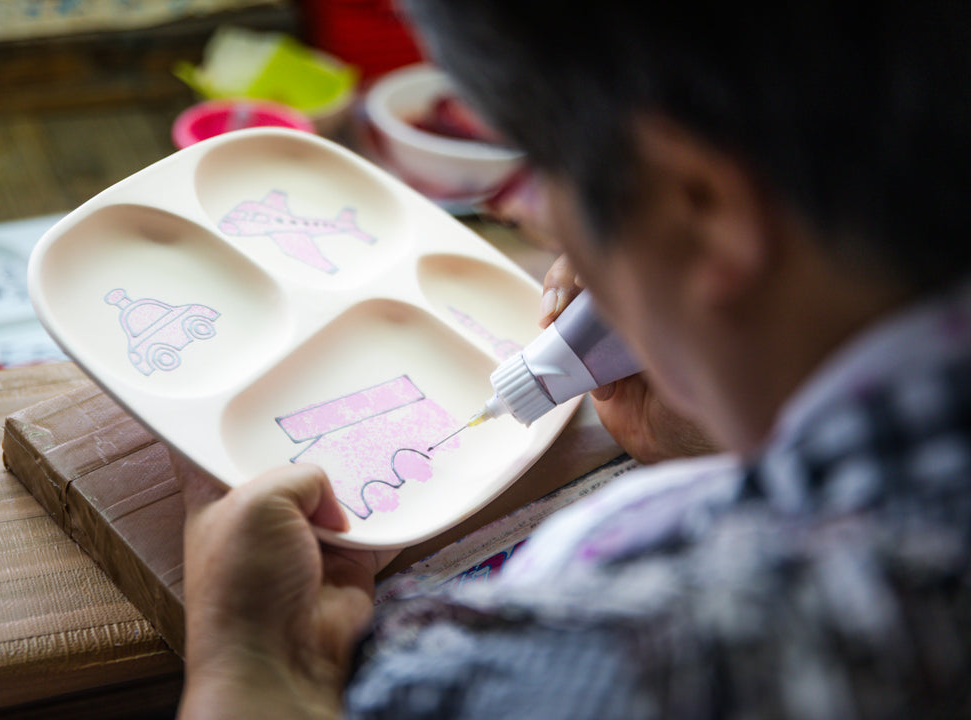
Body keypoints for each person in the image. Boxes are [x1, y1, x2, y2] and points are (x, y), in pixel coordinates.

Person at [175, 2, 971, 718]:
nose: (543, 225)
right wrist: (752, 405)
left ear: (700, 207)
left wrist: (248, 673)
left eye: (534, 172)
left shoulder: (589, 668)